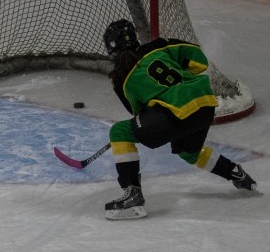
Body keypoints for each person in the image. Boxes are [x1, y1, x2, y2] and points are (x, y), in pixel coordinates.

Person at [102, 19, 257, 220]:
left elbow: (138, 113)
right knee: (189, 152)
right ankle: (236, 173)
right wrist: (181, 77)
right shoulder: (158, 46)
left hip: (176, 111)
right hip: (205, 104)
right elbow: (199, 61)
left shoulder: (120, 78)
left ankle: (132, 193)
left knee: (120, 132)